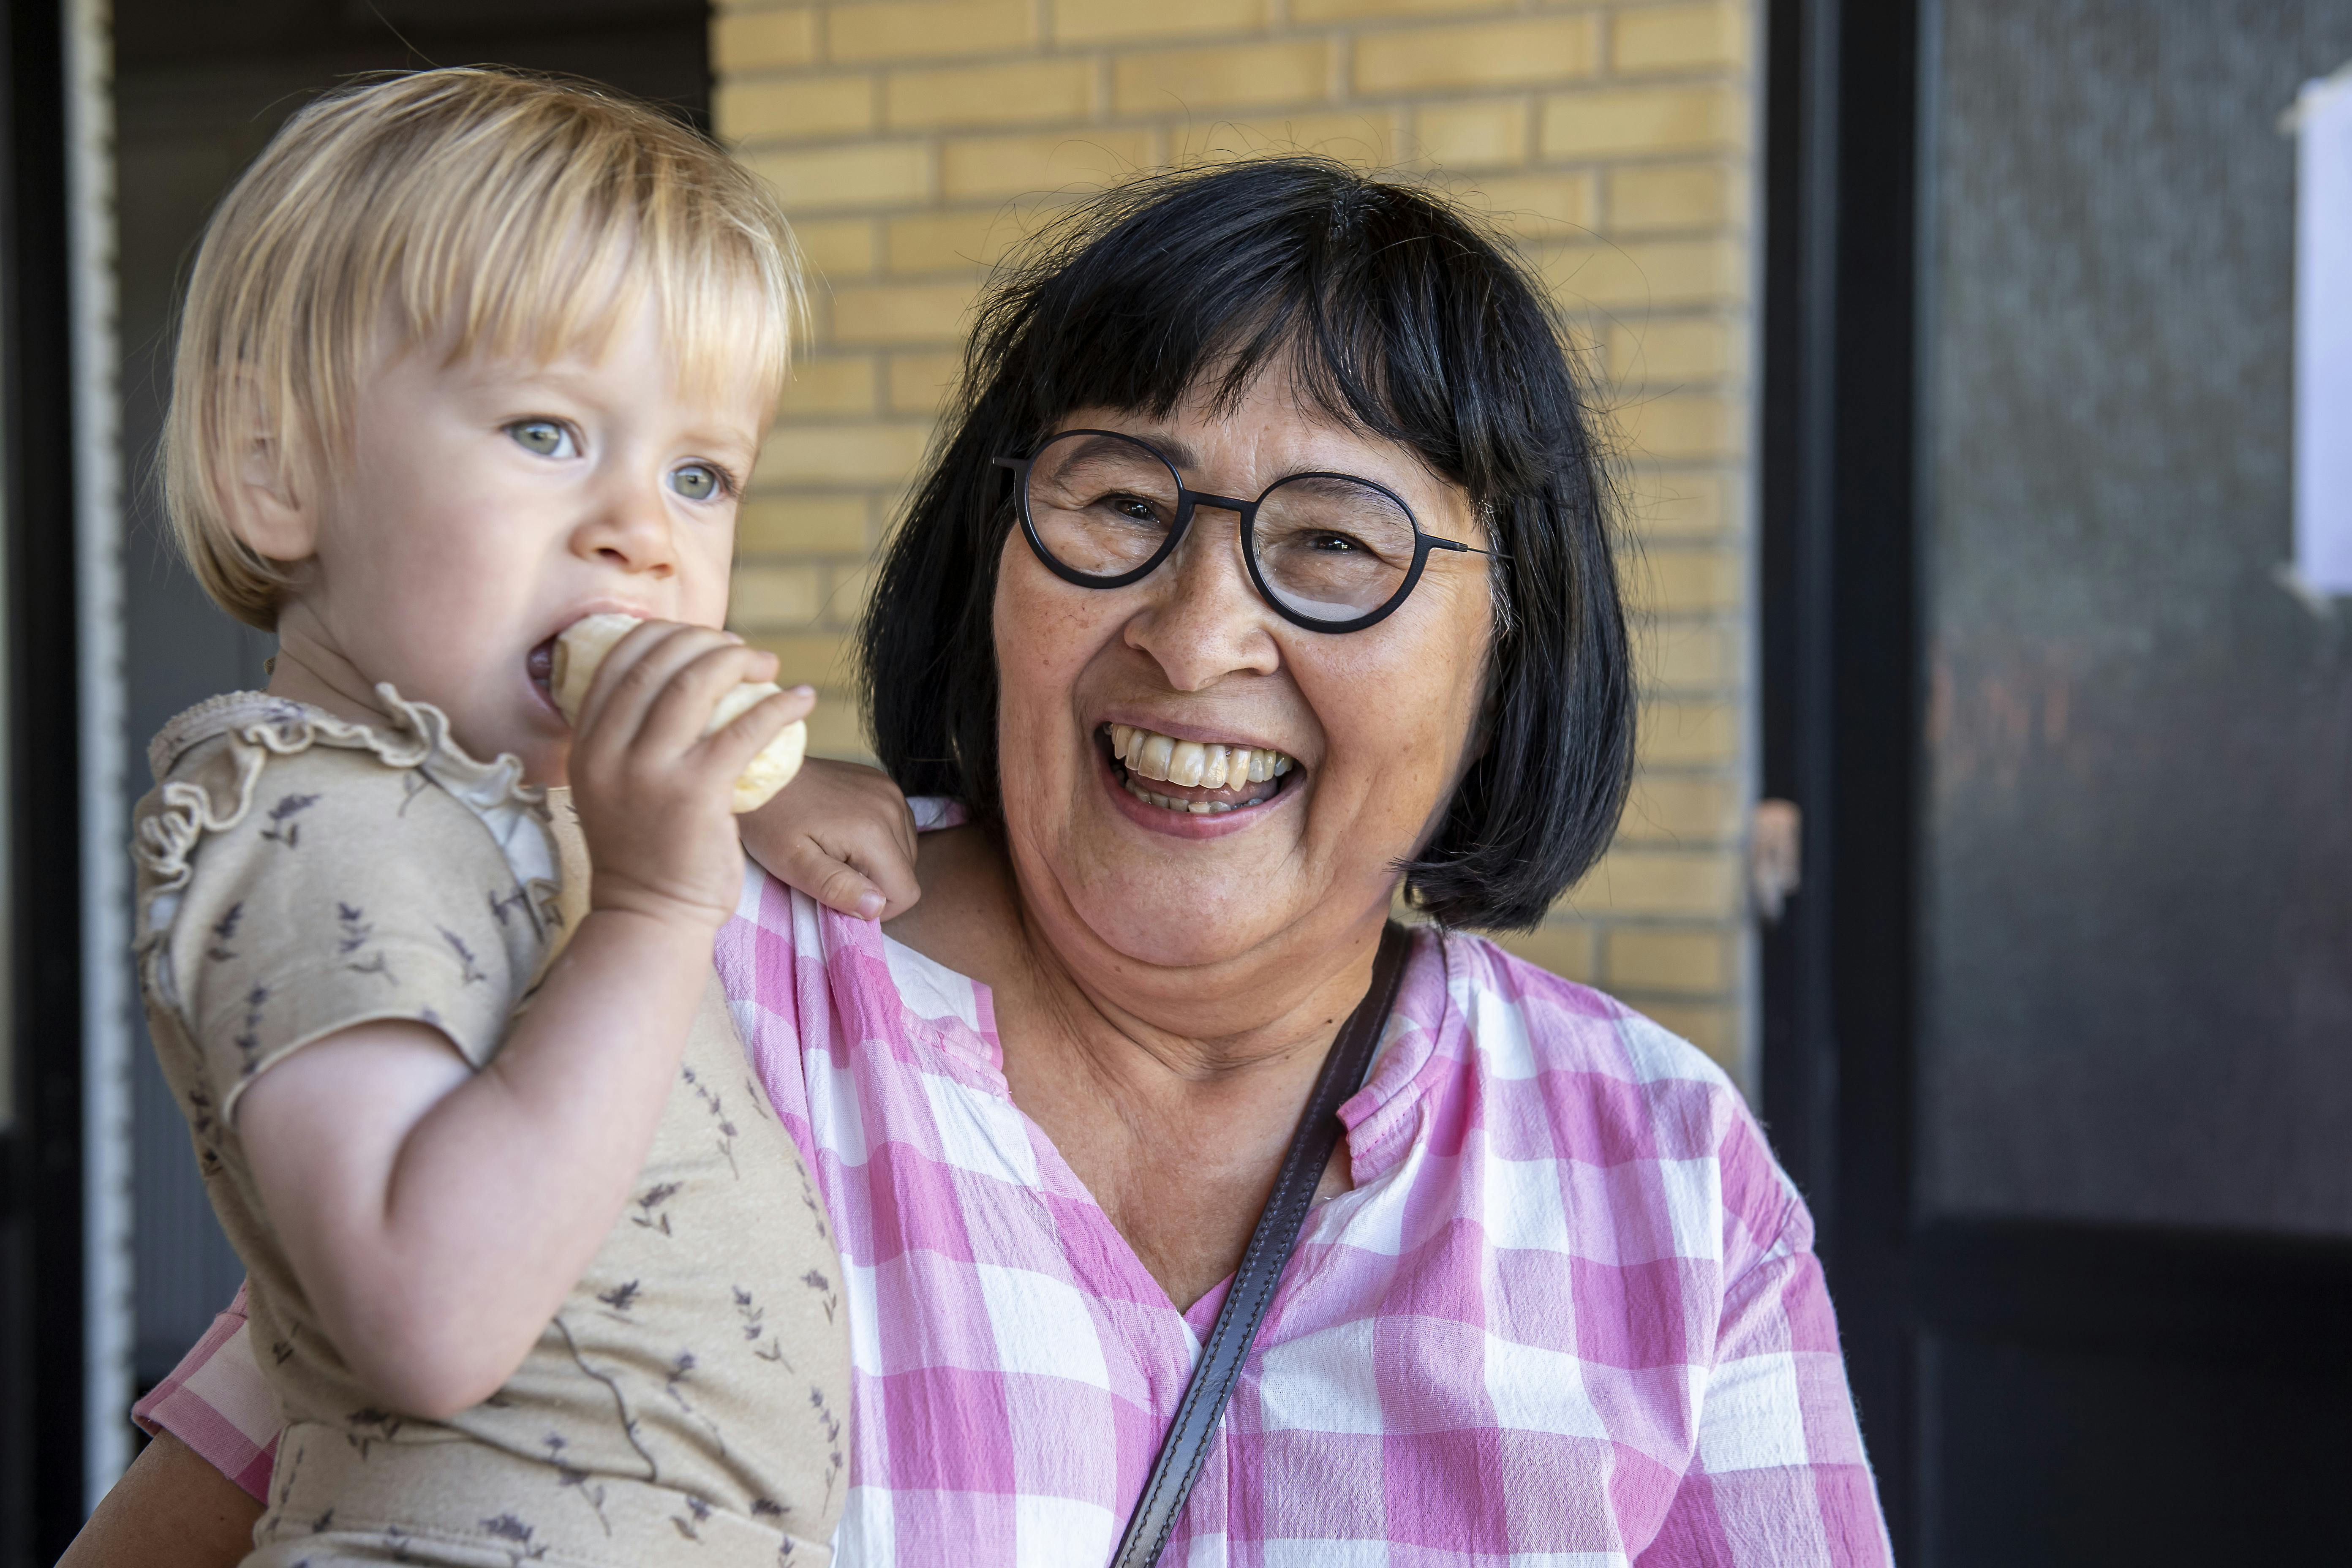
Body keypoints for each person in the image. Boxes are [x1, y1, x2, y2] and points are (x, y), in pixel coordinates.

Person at [70, 156, 1893, 1566]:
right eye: (1119, 505)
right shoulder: (679, 977)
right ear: (991, 557)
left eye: (1335, 548)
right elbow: (311, 1458)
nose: (1195, 641)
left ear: (1512, 645)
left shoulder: (1663, 1179)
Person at [95, 68, 925, 1568]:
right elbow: (431, 1313)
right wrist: (661, 910)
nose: (644, 533)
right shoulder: (309, 828)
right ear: (275, 471)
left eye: (699, 473)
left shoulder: (459, 807)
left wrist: (754, 787)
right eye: (546, 433)